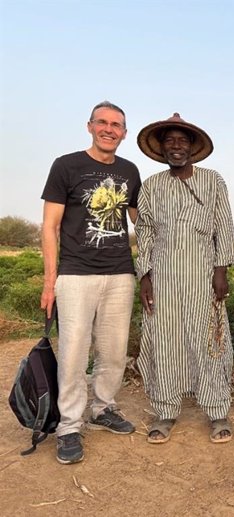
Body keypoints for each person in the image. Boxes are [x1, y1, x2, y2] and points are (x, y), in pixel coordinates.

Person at [40, 100, 141, 464]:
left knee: (113, 351)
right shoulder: (66, 166)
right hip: (76, 273)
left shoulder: (130, 171)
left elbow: (140, 221)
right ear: (90, 126)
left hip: (119, 273)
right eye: (103, 123)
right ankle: (69, 425)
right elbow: (50, 227)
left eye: (117, 125)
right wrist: (50, 281)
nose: (109, 129)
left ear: (124, 133)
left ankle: (102, 408)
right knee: (74, 352)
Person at [135, 113, 234, 444]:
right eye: (169, 141)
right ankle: (165, 411)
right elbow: (146, 231)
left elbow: (224, 225)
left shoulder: (212, 180)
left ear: (192, 147)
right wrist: (145, 276)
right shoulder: (152, 186)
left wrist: (221, 270)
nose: (176, 146)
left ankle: (218, 410)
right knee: (166, 342)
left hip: (203, 274)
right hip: (163, 275)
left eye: (182, 141)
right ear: (162, 149)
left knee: (209, 340)